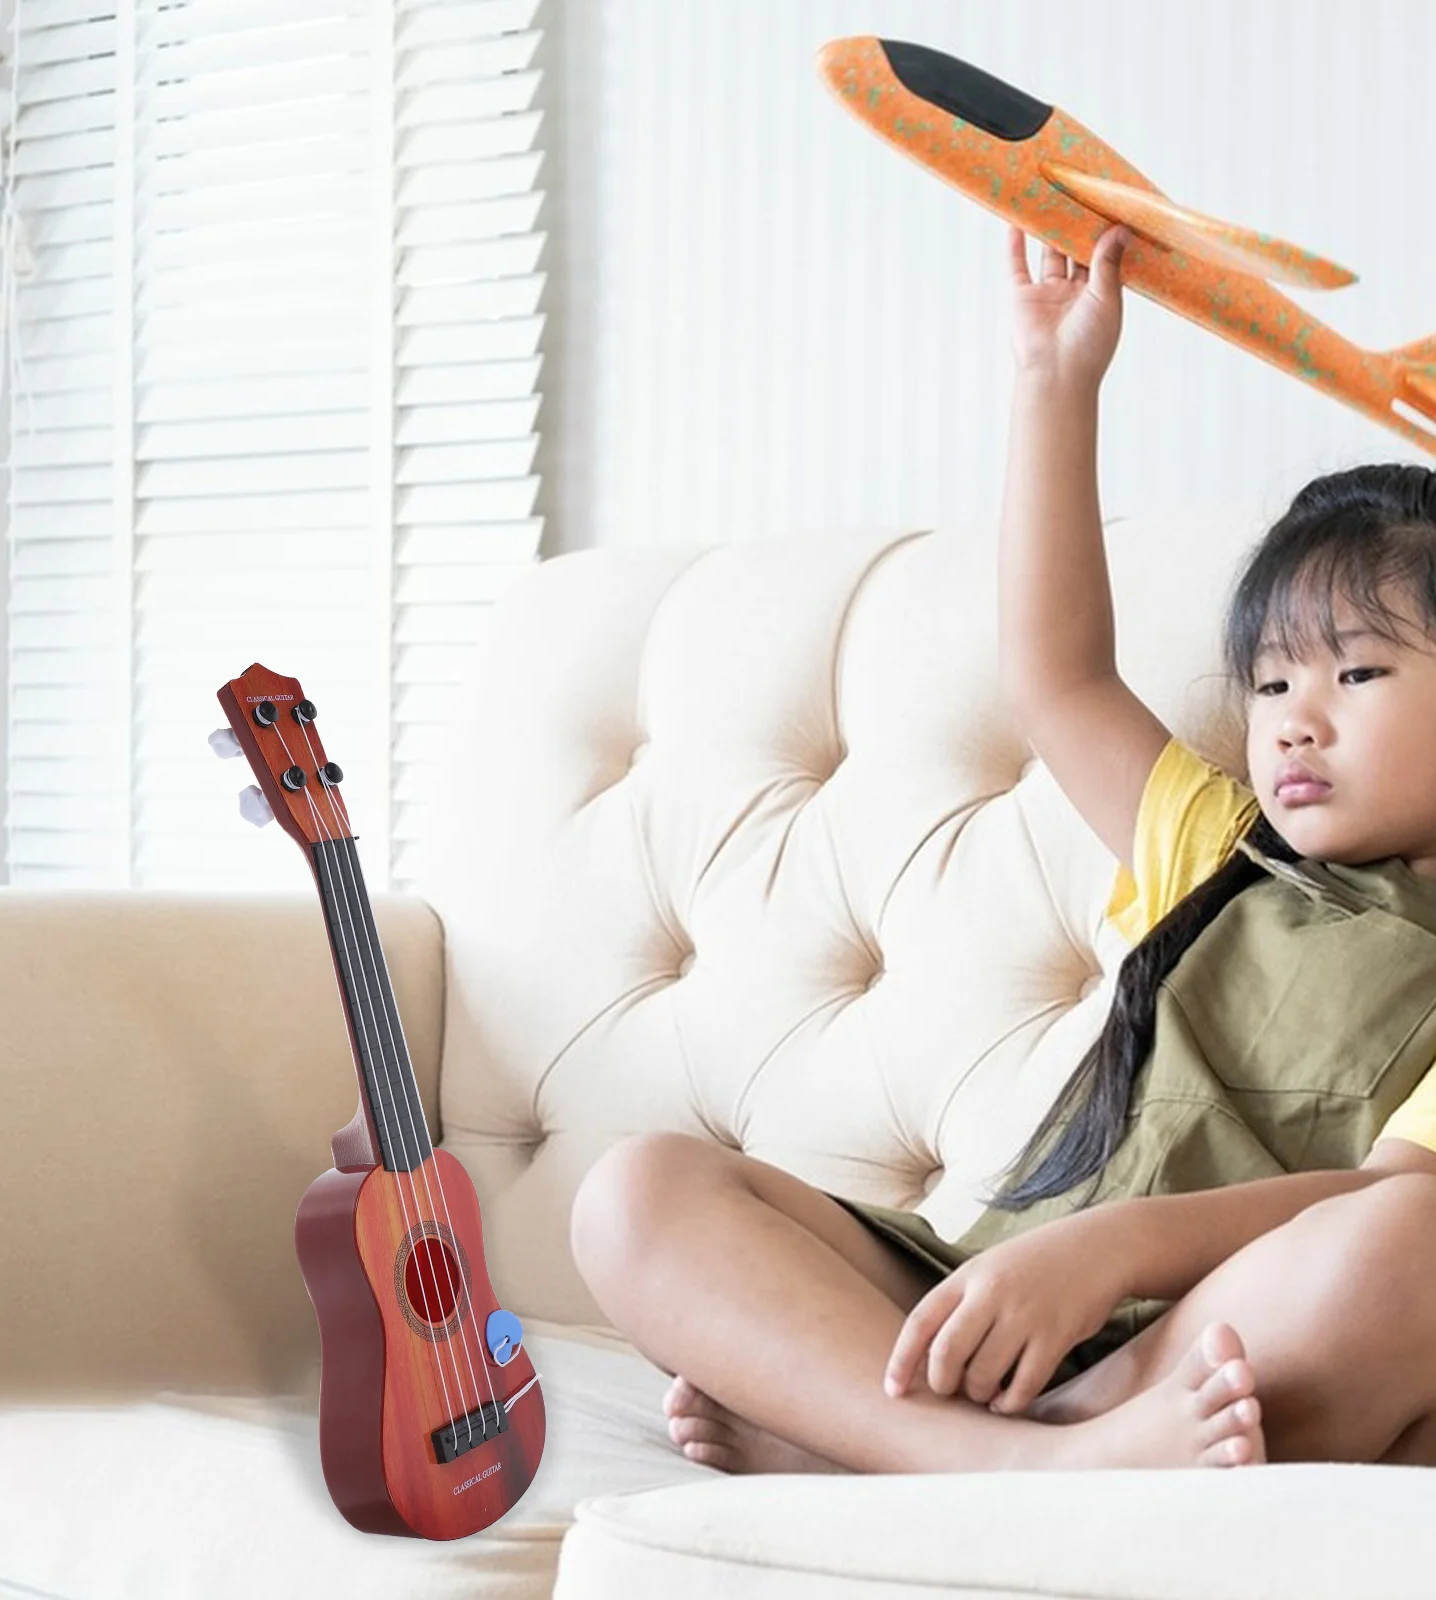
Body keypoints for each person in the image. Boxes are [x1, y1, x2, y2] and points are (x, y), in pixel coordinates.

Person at [569, 220, 1436, 1474]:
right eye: (1266, 681)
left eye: (1356, 670)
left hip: (1199, 1341)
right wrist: (1053, 381)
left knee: (1408, 1247)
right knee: (637, 1191)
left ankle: (884, 1445)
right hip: (987, 1288)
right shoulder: (1219, 849)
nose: (1293, 716)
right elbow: (1055, 672)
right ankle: (1014, 1460)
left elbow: (1384, 1208)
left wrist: (1113, 1251)